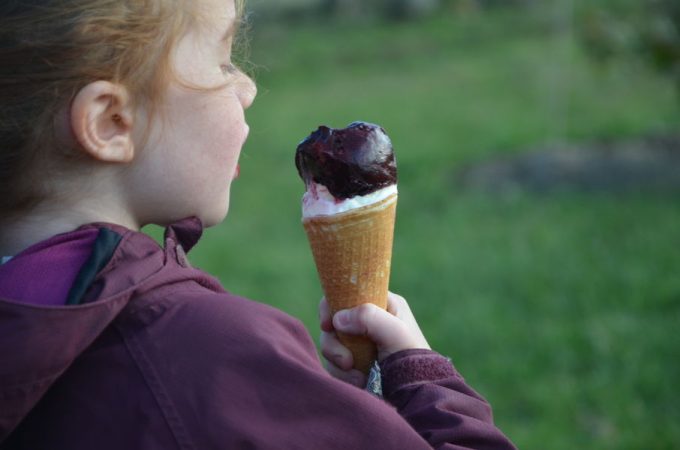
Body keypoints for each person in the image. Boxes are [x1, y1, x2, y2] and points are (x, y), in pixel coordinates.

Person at [0, 0, 516, 448]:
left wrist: (351, 417)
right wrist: (418, 377)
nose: (247, 87)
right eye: (225, 63)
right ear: (111, 122)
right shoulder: (210, 354)